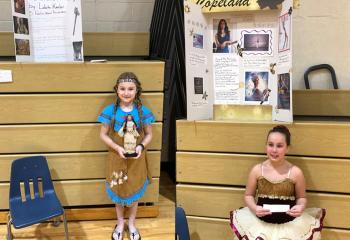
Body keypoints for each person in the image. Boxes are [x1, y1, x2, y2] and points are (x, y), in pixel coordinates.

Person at [230, 125, 325, 240]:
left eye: (279, 146)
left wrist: (301, 206)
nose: (274, 150)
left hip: (291, 225)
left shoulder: (295, 172)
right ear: (266, 146)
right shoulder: (257, 170)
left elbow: (302, 197)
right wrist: (255, 208)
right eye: (270, 145)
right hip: (260, 225)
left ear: (287, 148)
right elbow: (248, 195)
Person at [98, 72, 155, 240]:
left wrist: (141, 146)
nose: (126, 92)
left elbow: (149, 134)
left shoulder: (143, 111)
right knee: (118, 190)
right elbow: (103, 135)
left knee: (134, 191)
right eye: (122, 88)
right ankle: (120, 223)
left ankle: (131, 223)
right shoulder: (110, 111)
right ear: (117, 90)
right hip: (116, 159)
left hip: (137, 161)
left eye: (131, 89)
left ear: (137, 90)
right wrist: (117, 147)